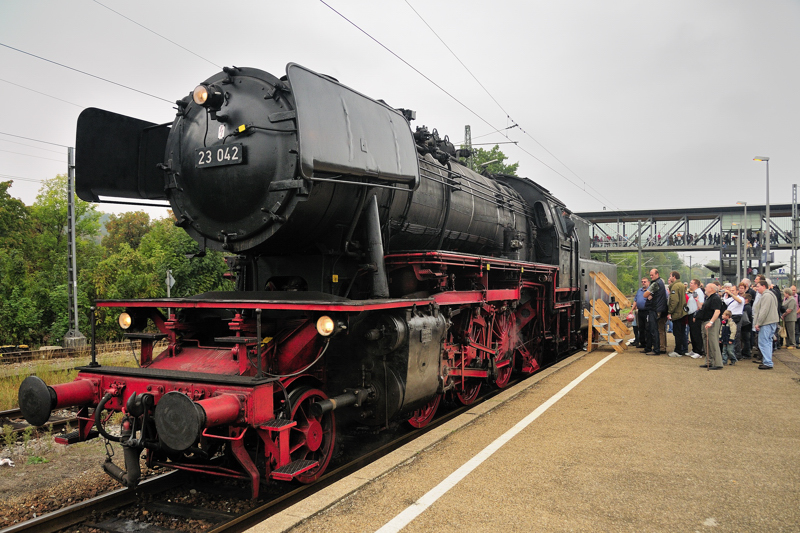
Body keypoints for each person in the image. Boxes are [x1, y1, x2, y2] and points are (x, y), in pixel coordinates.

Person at [753, 280, 779, 370]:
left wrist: (758, 323)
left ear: (764, 286)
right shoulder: (771, 295)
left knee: (764, 342)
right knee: (768, 342)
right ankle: (767, 361)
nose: (756, 288)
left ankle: (767, 362)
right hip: (770, 321)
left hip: (766, 322)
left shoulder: (766, 296)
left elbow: (764, 310)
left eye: (758, 286)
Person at [699, 281, 724, 370]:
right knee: (707, 343)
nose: (705, 288)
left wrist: (711, 322)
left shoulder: (715, 298)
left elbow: (717, 311)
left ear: (712, 289)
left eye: (707, 287)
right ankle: (709, 362)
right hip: (705, 321)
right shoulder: (708, 298)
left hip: (712, 321)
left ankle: (718, 363)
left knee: (713, 343)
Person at [642, 268, 667, 355]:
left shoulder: (655, 283)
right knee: (654, 329)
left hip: (655, 309)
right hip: (659, 308)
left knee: (654, 329)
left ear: (657, 274)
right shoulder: (661, 282)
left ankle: (656, 349)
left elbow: (645, 294)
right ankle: (653, 348)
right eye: (650, 275)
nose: (651, 276)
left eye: (652, 275)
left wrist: (649, 293)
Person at [667, 271, 687, 357]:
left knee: (677, 332)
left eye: (670, 276)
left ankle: (678, 350)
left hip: (677, 313)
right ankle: (682, 349)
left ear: (674, 277)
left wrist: (670, 312)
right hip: (682, 312)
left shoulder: (675, 286)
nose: (669, 278)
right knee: (682, 332)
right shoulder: (682, 285)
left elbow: (674, 300)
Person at [687, 279, 705, 359]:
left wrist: (695, 315)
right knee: (692, 333)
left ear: (696, 284)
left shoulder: (699, 292)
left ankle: (698, 351)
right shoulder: (694, 292)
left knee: (696, 333)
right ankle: (694, 349)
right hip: (691, 314)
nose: (690, 284)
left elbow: (700, 305)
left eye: (691, 283)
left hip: (695, 315)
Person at [633, 278, 650, 349]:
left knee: (647, 328)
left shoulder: (649, 291)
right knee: (641, 327)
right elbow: (635, 300)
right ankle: (642, 343)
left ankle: (648, 343)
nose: (643, 283)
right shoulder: (639, 290)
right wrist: (632, 309)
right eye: (642, 282)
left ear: (648, 282)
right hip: (640, 311)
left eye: (644, 282)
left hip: (647, 311)